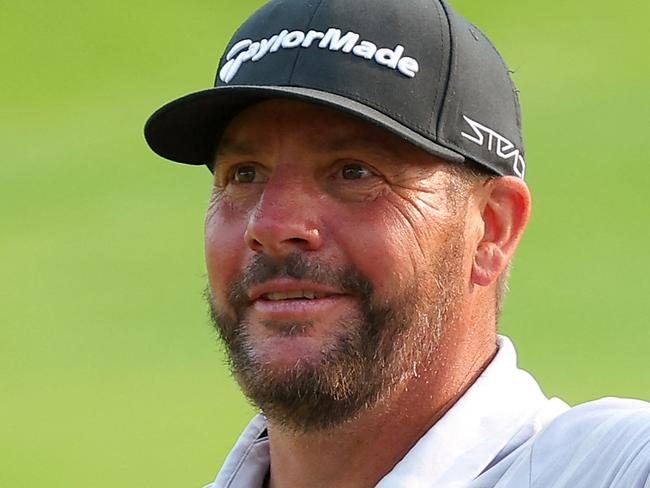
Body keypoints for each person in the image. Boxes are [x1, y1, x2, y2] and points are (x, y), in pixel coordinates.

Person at [144, 0, 650, 486]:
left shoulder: (615, 468)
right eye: (244, 174)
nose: (272, 223)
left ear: (491, 228)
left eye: (354, 172)